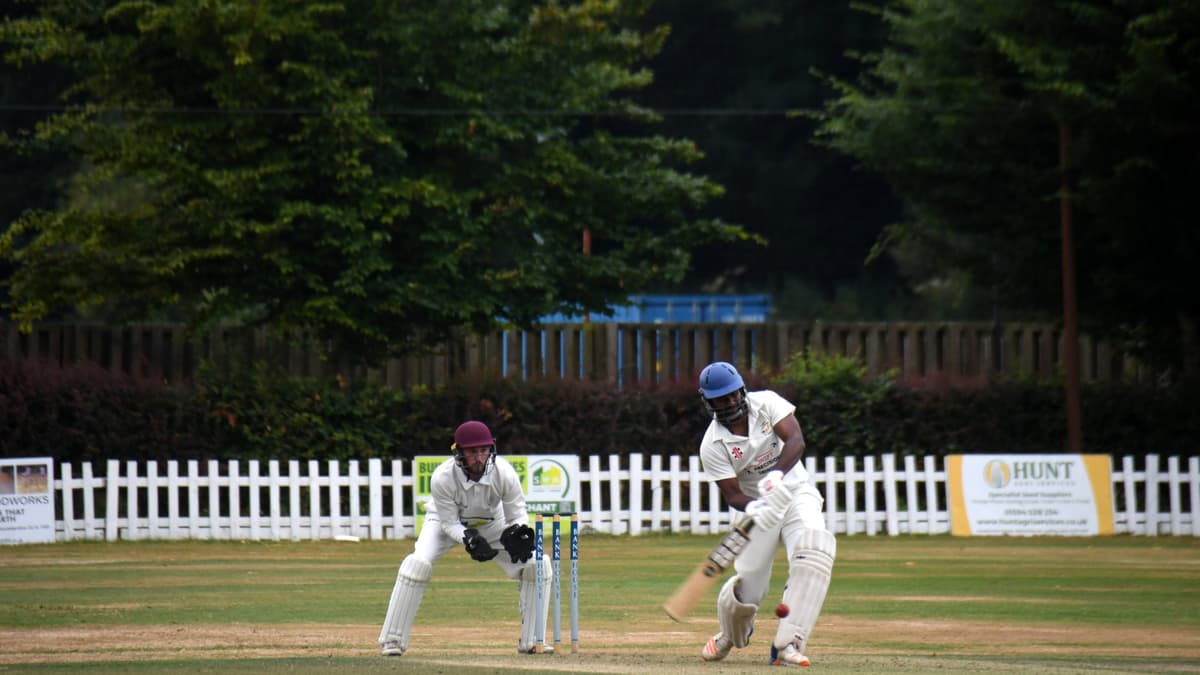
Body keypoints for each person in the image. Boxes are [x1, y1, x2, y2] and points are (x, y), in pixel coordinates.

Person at [694, 361, 837, 667]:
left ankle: (788, 644)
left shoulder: (768, 402)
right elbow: (732, 494)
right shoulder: (712, 445)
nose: (731, 402)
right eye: (721, 398)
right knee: (749, 589)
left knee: (814, 550)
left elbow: (795, 440)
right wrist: (754, 505)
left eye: (733, 394)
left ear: (742, 390)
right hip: (757, 511)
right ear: (709, 403)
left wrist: (777, 475)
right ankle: (729, 635)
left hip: (795, 492)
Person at [378, 420, 553, 656]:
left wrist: (517, 533)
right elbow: (449, 522)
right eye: (473, 452)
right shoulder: (442, 477)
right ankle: (392, 640)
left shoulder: (505, 473)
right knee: (416, 564)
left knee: (538, 565)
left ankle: (533, 640)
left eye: (484, 450)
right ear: (459, 453)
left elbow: (517, 513)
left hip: (493, 523)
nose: (480, 457)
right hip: (443, 522)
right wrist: (467, 538)